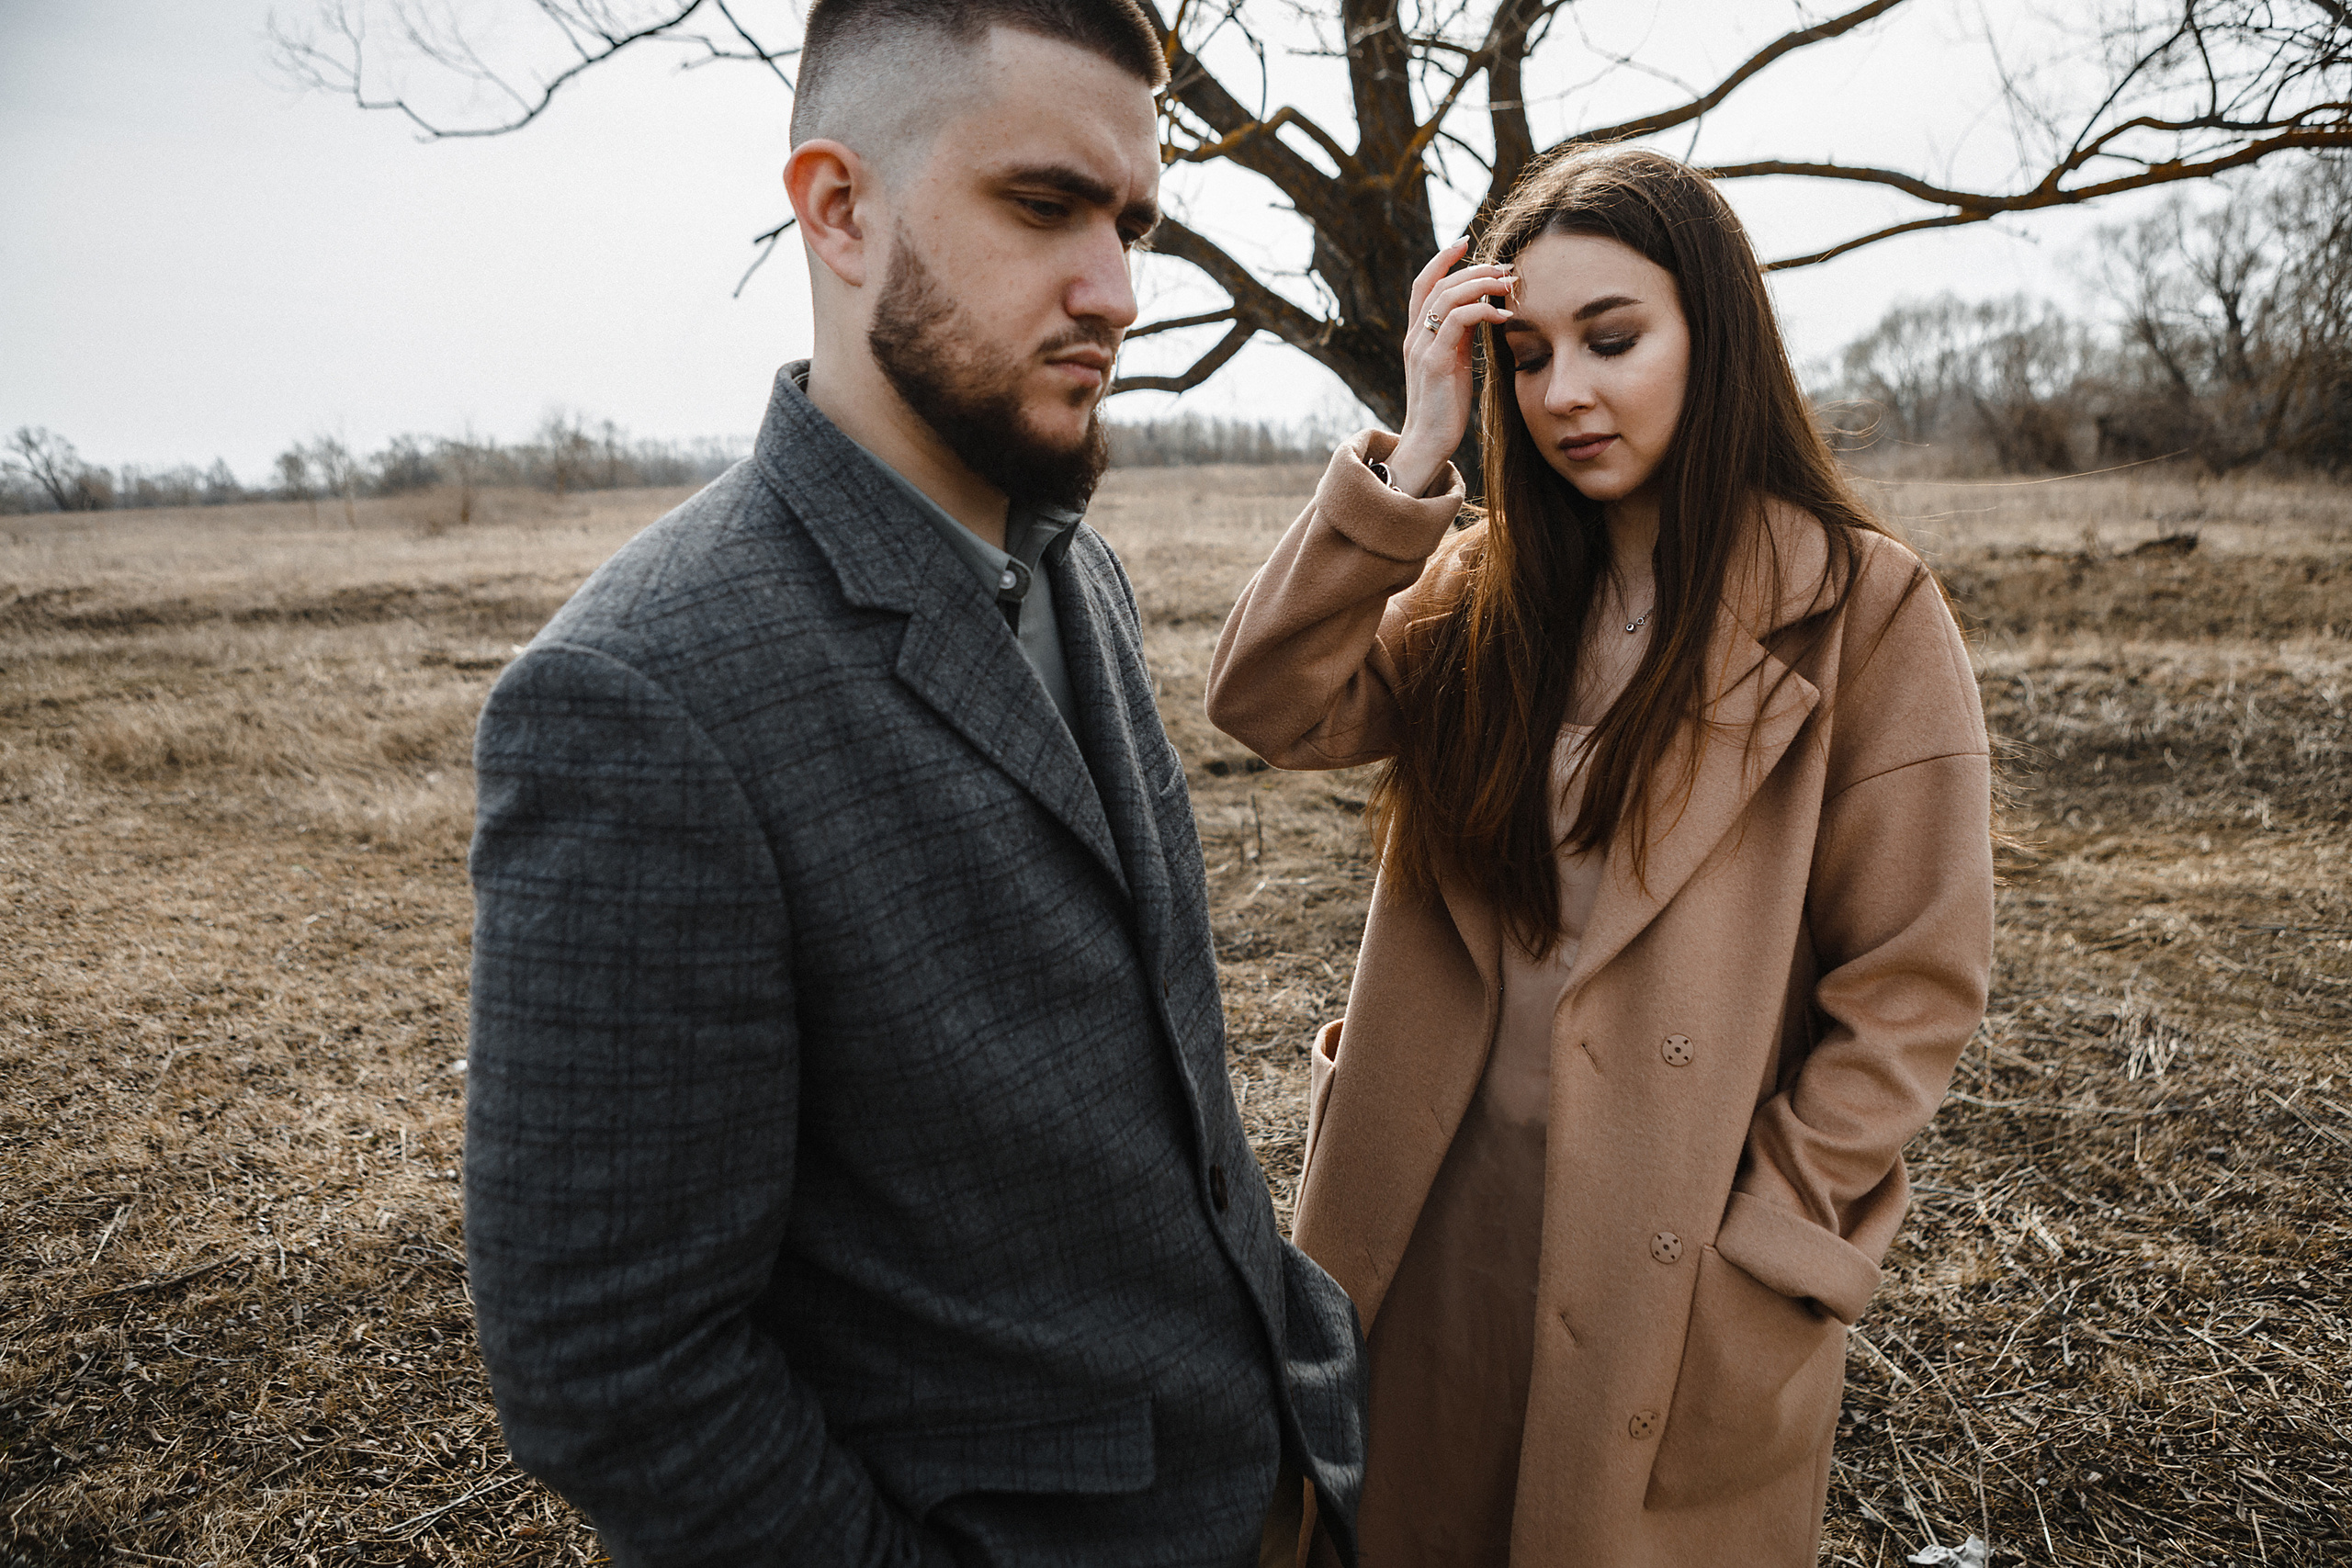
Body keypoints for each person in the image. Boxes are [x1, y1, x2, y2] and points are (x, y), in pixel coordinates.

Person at [462, 4, 1365, 1563]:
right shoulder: (637, 696)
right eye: (1043, 206)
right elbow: (614, 1371)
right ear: (838, 208)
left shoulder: (1076, 573)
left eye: (1133, 222)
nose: (1116, 292)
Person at [1205, 144, 1994, 1566]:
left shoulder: (1862, 610)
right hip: (1438, 1214)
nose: (1565, 392)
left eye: (1614, 340)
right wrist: (1417, 450)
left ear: (1715, 334)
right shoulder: (1478, 588)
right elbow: (1268, 703)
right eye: (1529, 355)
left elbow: (1914, 979)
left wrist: (1779, 1239)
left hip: (1676, 1250)